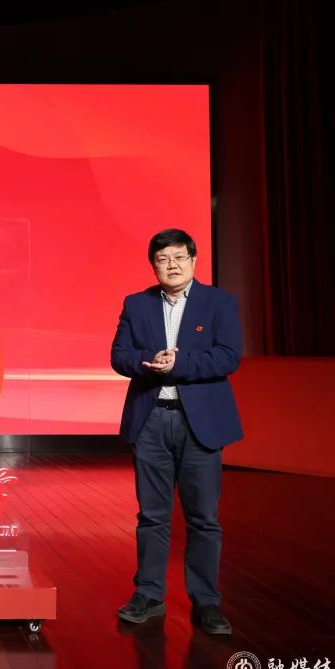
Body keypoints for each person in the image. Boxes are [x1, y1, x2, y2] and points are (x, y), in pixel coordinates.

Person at [110, 228, 242, 636]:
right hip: (151, 419)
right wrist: (147, 362)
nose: (172, 265)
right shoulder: (137, 303)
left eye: (179, 257)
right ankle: (149, 594)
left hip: (199, 422)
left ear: (194, 260)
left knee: (203, 518)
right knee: (152, 515)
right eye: (163, 259)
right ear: (153, 265)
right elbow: (119, 356)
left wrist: (178, 365)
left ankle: (206, 602)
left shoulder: (219, 302)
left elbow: (228, 357)